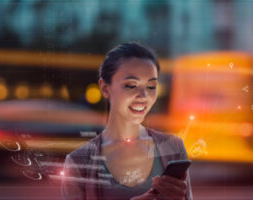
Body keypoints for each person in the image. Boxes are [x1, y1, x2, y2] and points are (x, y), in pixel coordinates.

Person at [61, 42, 193, 200]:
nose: (144, 96)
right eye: (131, 85)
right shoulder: (78, 162)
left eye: (151, 86)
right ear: (104, 88)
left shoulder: (173, 148)